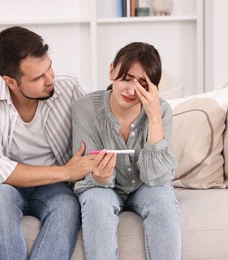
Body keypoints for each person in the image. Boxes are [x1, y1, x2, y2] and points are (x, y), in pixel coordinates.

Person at [0, 26, 95, 260]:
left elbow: (104, 121)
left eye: (49, 68)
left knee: (66, 206)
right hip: (2, 187)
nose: (50, 80)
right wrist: (65, 172)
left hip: (54, 187)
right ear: (11, 82)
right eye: (37, 77)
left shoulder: (70, 87)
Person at [72, 42, 181, 260]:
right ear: (112, 71)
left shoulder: (162, 110)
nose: (132, 90)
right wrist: (99, 176)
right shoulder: (85, 108)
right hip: (102, 187)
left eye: (142, 84)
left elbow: (157, 178)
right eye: (126, 79)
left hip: (145, 185)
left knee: (162, 198)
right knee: (96, 200)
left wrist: (155, 117)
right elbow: (86, 174)